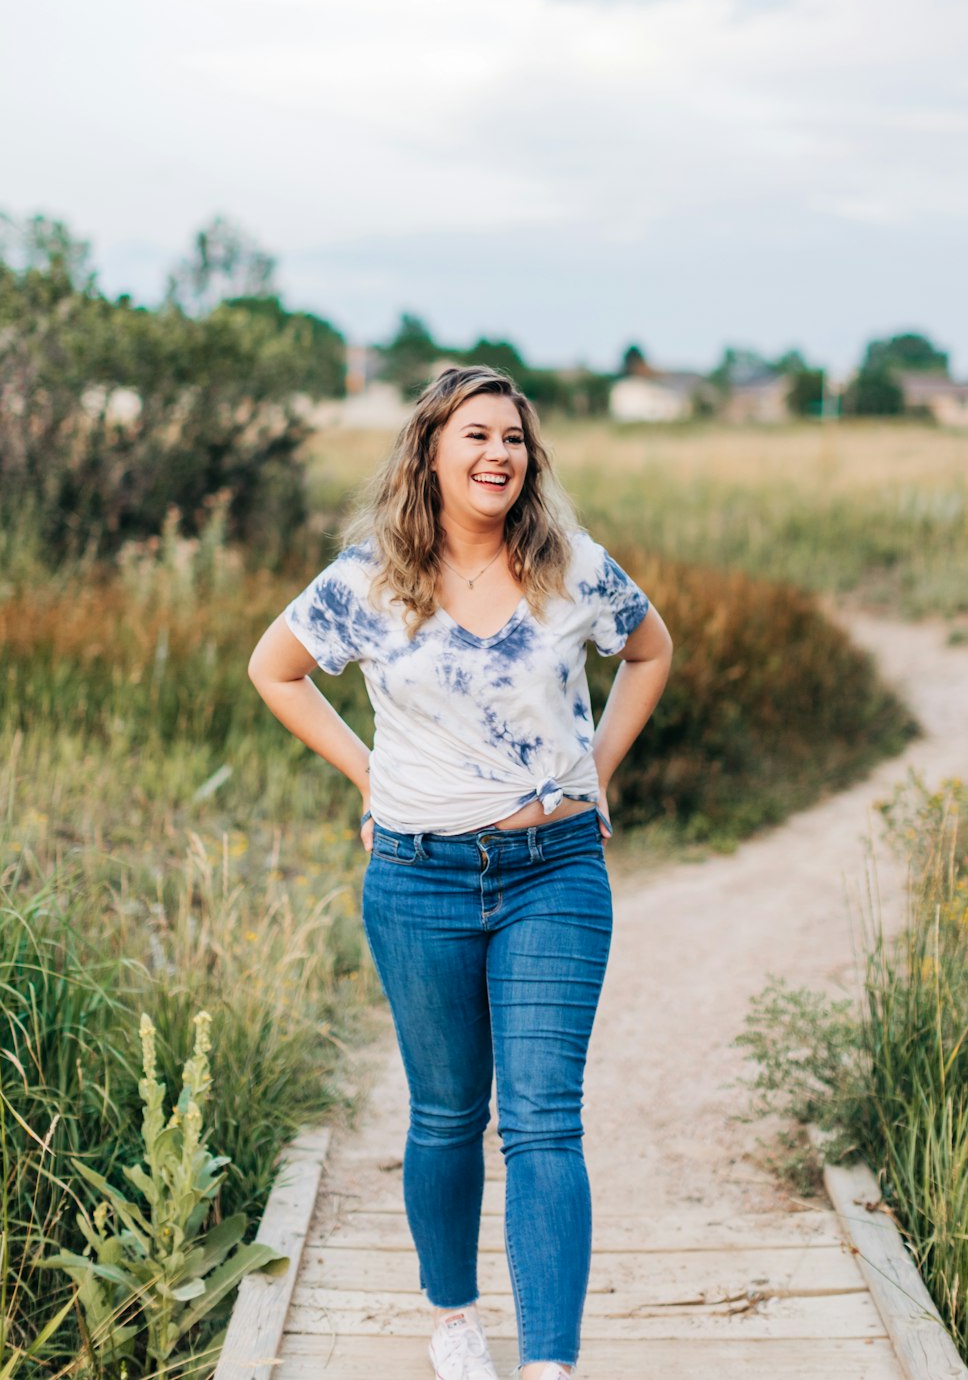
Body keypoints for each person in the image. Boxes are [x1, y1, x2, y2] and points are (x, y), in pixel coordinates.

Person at [247, 365, 673, 1380]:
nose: (497, 455)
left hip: (554, 871)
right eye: (476, 435)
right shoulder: (365, 581)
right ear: (429, 451)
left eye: (513, 440)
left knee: (542, 1118)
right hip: (416, 877)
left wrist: (595, 772)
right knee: (445, 1113)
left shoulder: (572, 567)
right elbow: (275, 669)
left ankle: (550, 1366)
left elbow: (650, 652)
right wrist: (368, 771)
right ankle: (453, 1320)